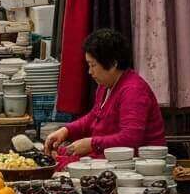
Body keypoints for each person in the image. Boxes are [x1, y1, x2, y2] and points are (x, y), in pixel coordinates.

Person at [44, 28, 166, 161]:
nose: (90, 72)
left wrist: (92, 144)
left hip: (137, 164)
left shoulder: (133, 91)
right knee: (50, 157)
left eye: (93, 65)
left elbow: (130, 139)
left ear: (113, 64)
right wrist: (66, 131)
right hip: (110, 159)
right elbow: (94, 116)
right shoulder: (105, 85)